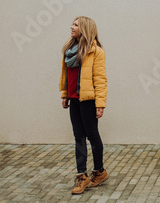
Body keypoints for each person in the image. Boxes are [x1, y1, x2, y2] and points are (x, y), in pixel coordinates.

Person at [59, 16, 109, 195]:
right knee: (78, 136)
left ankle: (99, 171)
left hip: (88, 100)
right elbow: (66, 76)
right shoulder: (69, 50)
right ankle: (82, 176)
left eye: (75, 25)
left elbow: (100, 79)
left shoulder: (96, 51)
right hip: (73, 99)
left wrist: (100, 103)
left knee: (92, 135)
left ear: (85, 29)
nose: (71, 27)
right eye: (72, 23)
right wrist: (65, 94)